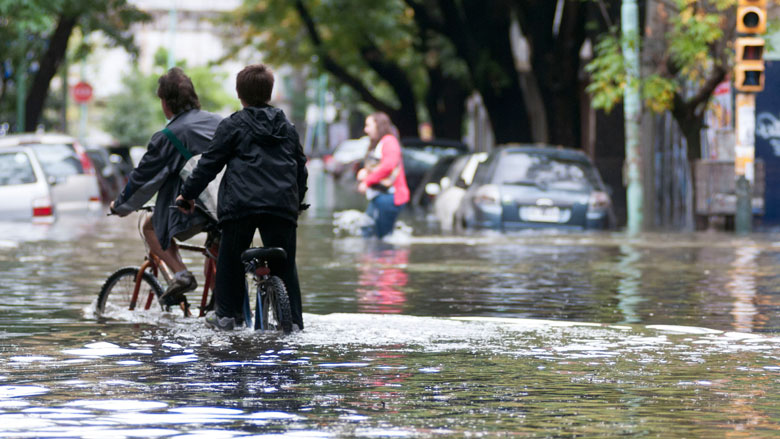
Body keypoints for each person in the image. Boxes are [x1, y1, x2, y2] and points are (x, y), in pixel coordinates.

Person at [176, 63, 308, 331]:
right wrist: (297, 202)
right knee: (285, 264)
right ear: (270, 92)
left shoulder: (233, 125)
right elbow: (300, 169)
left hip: (240, 206)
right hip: (282, 206)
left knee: (230, 261)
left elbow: (208, 165)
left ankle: (226, 316)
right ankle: (293, 321)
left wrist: (186, 195)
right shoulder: (287, 127)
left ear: (239, 93)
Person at [110, 67, 222, 307]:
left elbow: (143, 179)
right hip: (231, 204)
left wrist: (120, 206)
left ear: (166, 102)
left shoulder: (169, 136)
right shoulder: (220, 123)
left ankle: (181, 274)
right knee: (216, 270)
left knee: (150, 226)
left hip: (194, 207)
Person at [356, 112, 410, 239]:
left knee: (381, 238)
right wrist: (365, 172)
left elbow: (388, 166)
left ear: (378, 125)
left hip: (389, 197)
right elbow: (380, 166)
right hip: (380, 197)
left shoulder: (389, 141)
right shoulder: (381, 143)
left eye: (368, 125)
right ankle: (373, 258)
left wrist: (367, 181)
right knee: (368, 231)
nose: (366, 129)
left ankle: (384, 258)